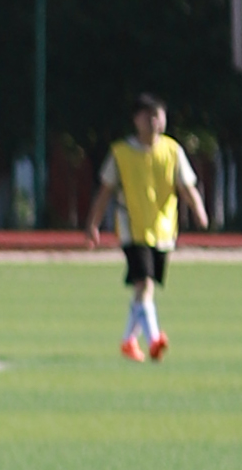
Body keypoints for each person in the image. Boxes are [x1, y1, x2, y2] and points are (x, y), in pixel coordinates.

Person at [88, 93, 207, 361]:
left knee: (144, 288)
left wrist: (199, 210)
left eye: (158, 115)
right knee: (144, 283)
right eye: (148, 116)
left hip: (163, 229)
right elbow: (105, 191)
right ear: (136, 120)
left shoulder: (173, 151)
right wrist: (93, 224)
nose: (154, 121)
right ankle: (154, 339)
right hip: (133, 229)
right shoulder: (121, 153)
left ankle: (128, 340)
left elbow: (186, 185)